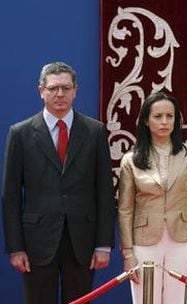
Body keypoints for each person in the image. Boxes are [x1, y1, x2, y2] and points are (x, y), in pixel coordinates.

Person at [2, 62, 116, 304]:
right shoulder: (20, 134)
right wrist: (16, 247)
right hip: (36, 241)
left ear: (76, 90)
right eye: (53, 88)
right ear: (41, 90)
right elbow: (10, 195)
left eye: (66, 87)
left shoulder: (95, 132)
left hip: (82, 240)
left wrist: (104, 244)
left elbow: (105, 192)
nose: (60, 94)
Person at [118, 91, 187, 304]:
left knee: (180, 300)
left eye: (170, 116)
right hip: (144, 240)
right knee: (145, 300)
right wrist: (128, 253)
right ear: (146, 121)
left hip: (183, 239)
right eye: (158, 116)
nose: (164, 122)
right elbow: (125, 210)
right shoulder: (131, 159)